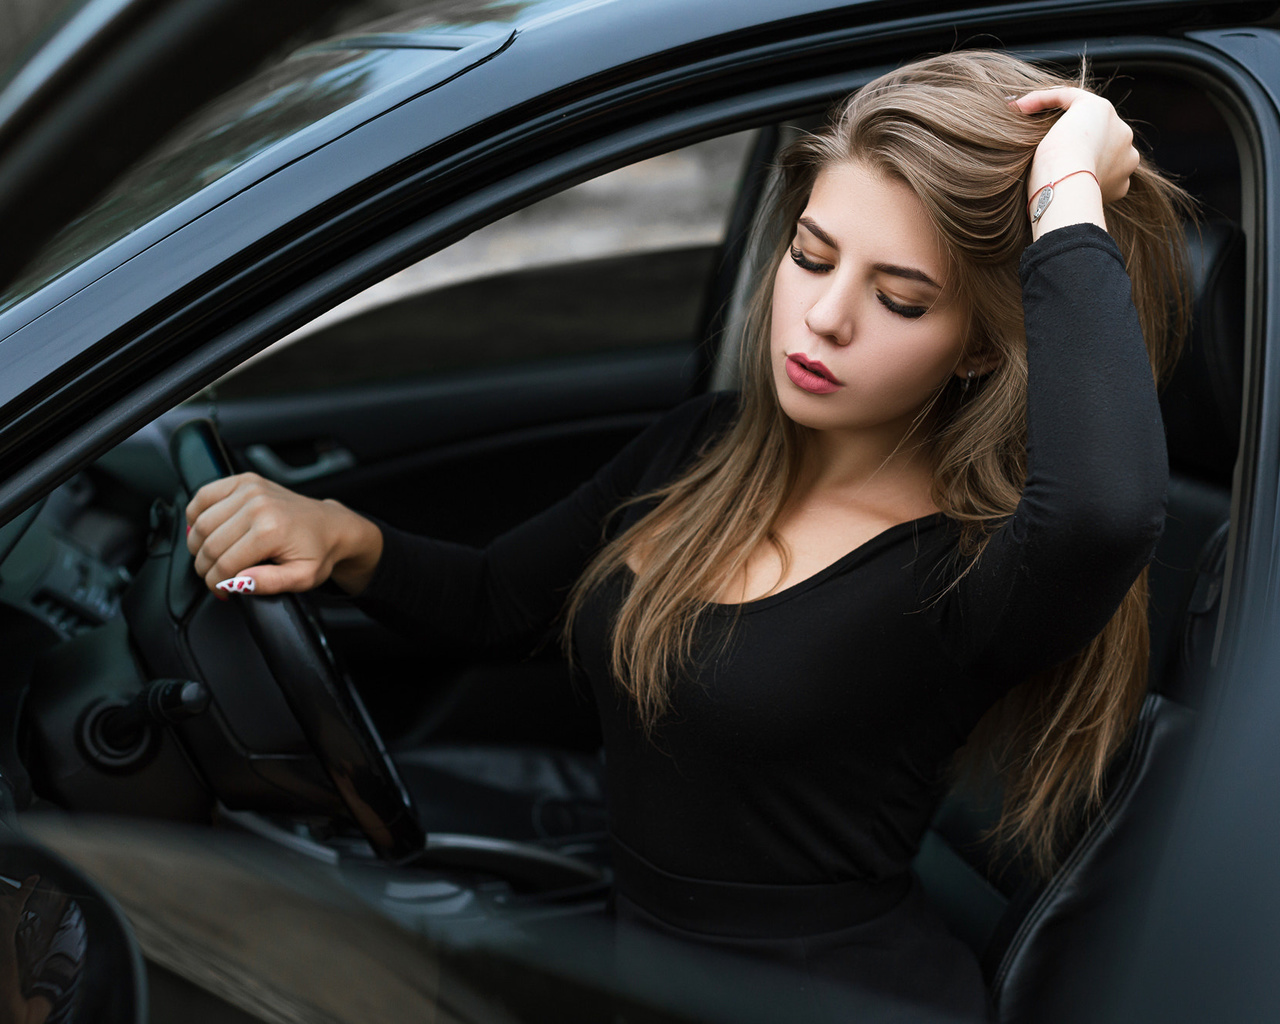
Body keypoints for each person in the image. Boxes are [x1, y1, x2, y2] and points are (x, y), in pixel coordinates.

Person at [184, 51, 1194, 1020]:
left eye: (898, 298)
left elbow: (1102, 511)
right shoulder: (699, 450)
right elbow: (501, 602)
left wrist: (1066, 196)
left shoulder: (969, 568)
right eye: (810, 254)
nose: (823, 317)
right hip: (650, 979)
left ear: (976, 346)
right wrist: (343, 537)